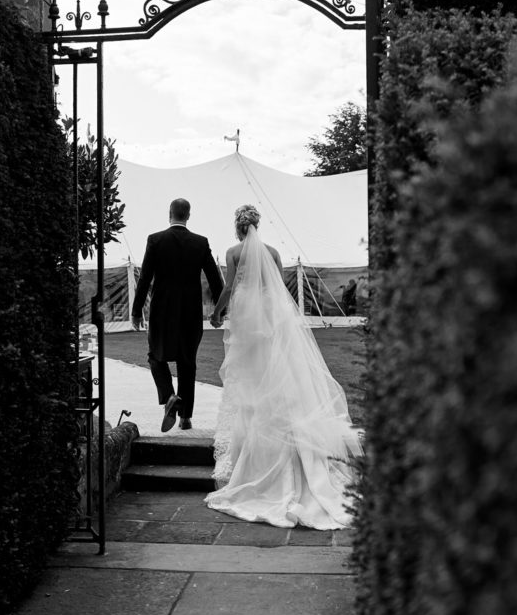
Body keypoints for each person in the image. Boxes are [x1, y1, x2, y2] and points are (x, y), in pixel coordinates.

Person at [205, 205, 362, 529]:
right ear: (257, 225)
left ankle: (254, 456)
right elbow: (278, 290)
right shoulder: (273, 252)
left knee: (249, 384)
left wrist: (217, 312)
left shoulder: (233, 252)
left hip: (248, 322)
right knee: (277, 377)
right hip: (271, 319)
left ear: (238, 226)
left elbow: (230, 287)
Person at [132, 198, 223, 432]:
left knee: (155, 356)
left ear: (169, 213)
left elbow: (144, 278)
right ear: (188, 216)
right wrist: (220, 310)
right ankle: (185, 418)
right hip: (191, 313)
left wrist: (136, 311)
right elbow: (215, 279)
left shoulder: (155, 240)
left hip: (162, 310)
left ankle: (169, 395)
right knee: (187, 363)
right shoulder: (200, 243)